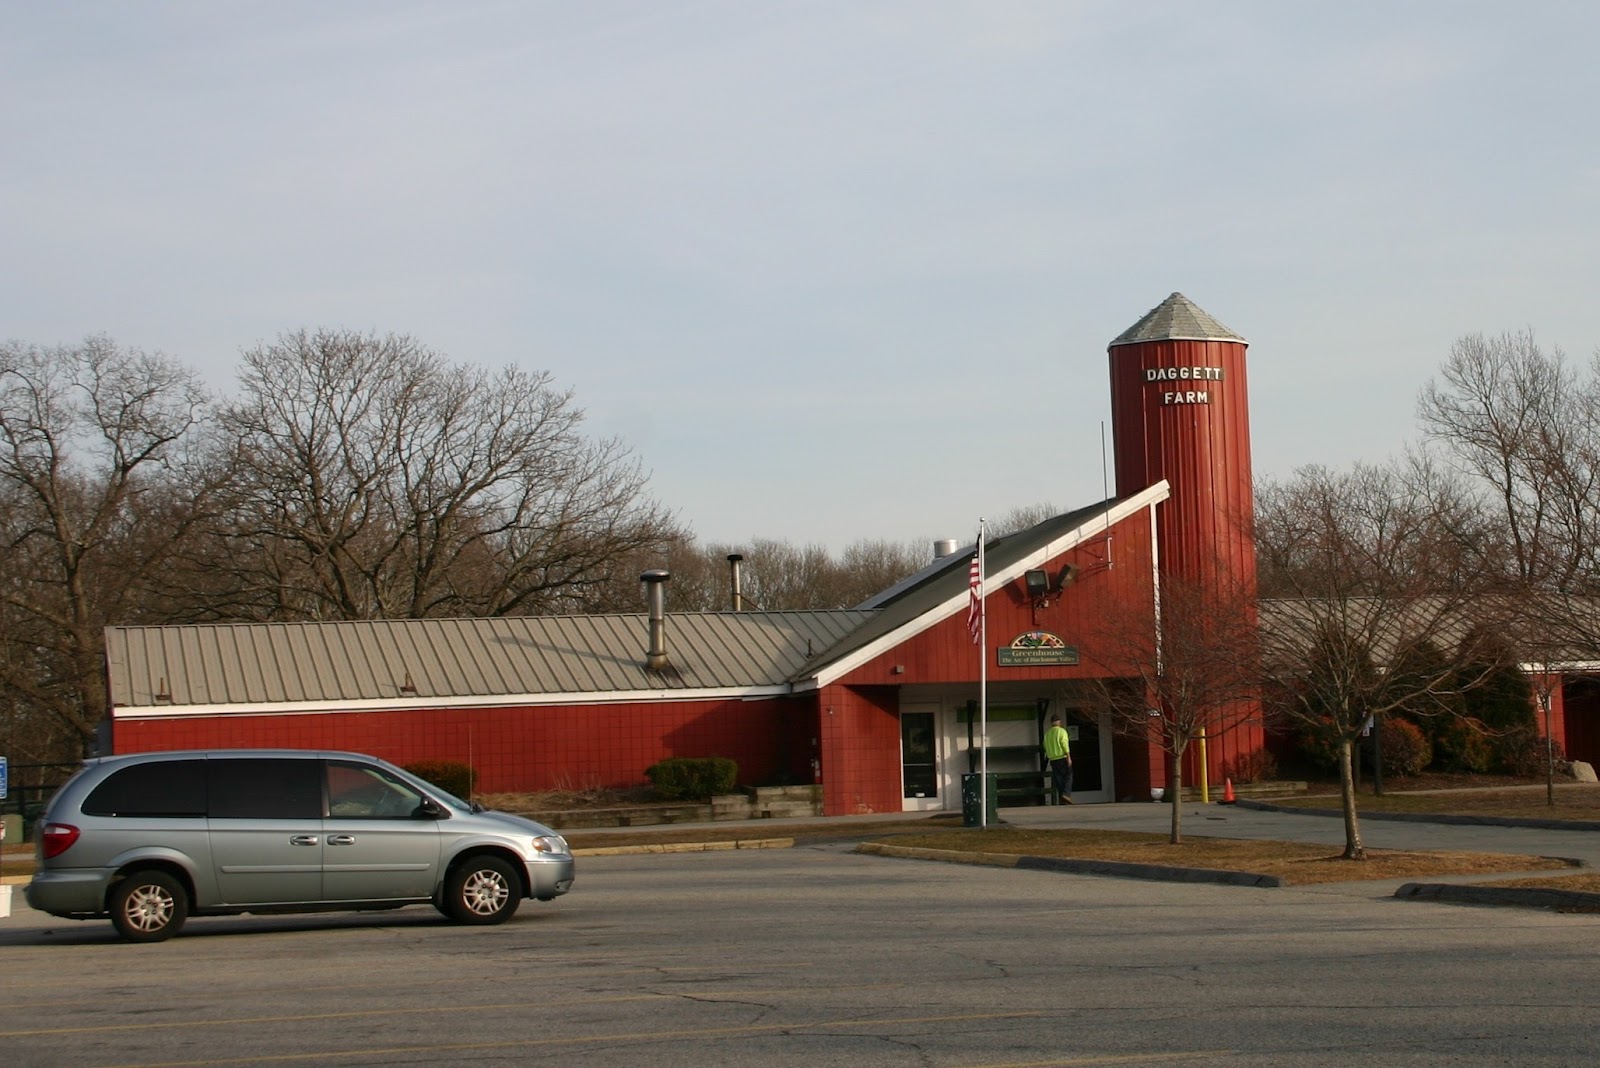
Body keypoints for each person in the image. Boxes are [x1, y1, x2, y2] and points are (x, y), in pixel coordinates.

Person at [1043, 714, 1073, 804]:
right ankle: (1066, 794)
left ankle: (1062, 798)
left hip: (1053, 759)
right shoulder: (1061, 731)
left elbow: (1045, 746)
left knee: (1058, 779)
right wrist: (1068, 756)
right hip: (1062, 757)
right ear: (1059, 721)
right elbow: (1064, 743)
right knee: (1068, 776)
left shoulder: (1047, 734)